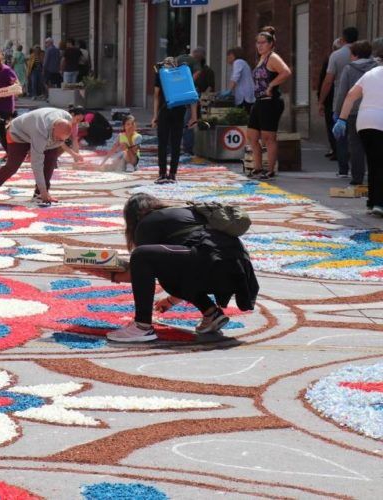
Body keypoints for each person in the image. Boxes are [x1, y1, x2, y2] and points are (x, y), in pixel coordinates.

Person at [98, 193, 258, 343]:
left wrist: (101, 271)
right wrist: (170, 300)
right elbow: (186, 265)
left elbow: (138, 271)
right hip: (238, 271)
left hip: (212, 262)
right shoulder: (182, 213)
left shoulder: (147, 223)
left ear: (133, 217)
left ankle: (142, 326)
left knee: (141, 256)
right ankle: (211, 314)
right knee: (167, 270)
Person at [0, 107, 73, 204]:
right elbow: (37, 163)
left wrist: (57, 142)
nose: (58, 142)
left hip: (36, 132)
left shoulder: (68, 118)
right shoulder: (41, 130)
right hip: (18, 134)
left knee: (50, 161)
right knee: (12, 166)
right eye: (57, 138)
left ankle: (38, 195)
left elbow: (69, 135)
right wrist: (44, 191)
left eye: (62, 140)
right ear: (53, 128)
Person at [335, 61, 383, 216]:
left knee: (373, 162)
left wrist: (342, 119)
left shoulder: (371, 74)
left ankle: (372, 202)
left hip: (364, 122)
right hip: (380, 121)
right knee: (380, 164)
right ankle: (379, 203)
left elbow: (350, 95)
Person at [246, 26, 292, 181]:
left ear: (271, 44)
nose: (259, 45)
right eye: (257, 43)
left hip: (271, 102)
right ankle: (258, 167)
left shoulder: (273, 57)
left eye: (263, 43)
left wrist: (271, 85)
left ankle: (270, 169)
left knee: (268, 137)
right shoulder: (261, 58)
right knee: (252, 135)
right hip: (259, 101)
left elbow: (286, 72)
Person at [335, 40, 376, 187]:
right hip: (374, 110)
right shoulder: (376, 68)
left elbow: (343, 93)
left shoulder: (349, 69)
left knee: (355, 145)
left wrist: (339, 113)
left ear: (355, 55)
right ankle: (375, 177)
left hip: (353, 112)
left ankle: (357, 177)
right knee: (375, 146)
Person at [151, 57, 198, 184]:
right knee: (169, 144)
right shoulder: (164, 76)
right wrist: (154, 116)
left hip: (171, 112)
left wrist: (194, 117)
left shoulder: (171, 75)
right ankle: (167, 173)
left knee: (170, 143)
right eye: (167, 63)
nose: (168, 66)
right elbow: (156, 96)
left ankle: (168, 173)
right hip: (171, 112)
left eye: (170, 64)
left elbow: (192, 96)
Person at [320, 27, 359, 178]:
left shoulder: (336, 55)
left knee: (341, 137)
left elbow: (328, 81)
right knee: (358, 139)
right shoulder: (365, 56)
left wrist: (321, 100)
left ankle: (343, 170)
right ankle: (359, 170)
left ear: (343, 39)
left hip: (340, 100)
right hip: (361, 101)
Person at [318, 39, 343, 161]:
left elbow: (324, 80)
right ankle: (337, 149)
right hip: (338, 96)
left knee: (332, 124)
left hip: (331, 97)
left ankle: (336, 150)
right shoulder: (351, 58)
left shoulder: (330, 59)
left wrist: (320, 100)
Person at [218, 47, 255, 113]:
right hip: (247, 95)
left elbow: (235, 77)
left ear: (233, 55)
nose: (227, 58)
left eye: (228, 55)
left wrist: (229, 90)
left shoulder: (238, 62)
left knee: (243, 115)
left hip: (244, 96)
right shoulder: (243, 63)